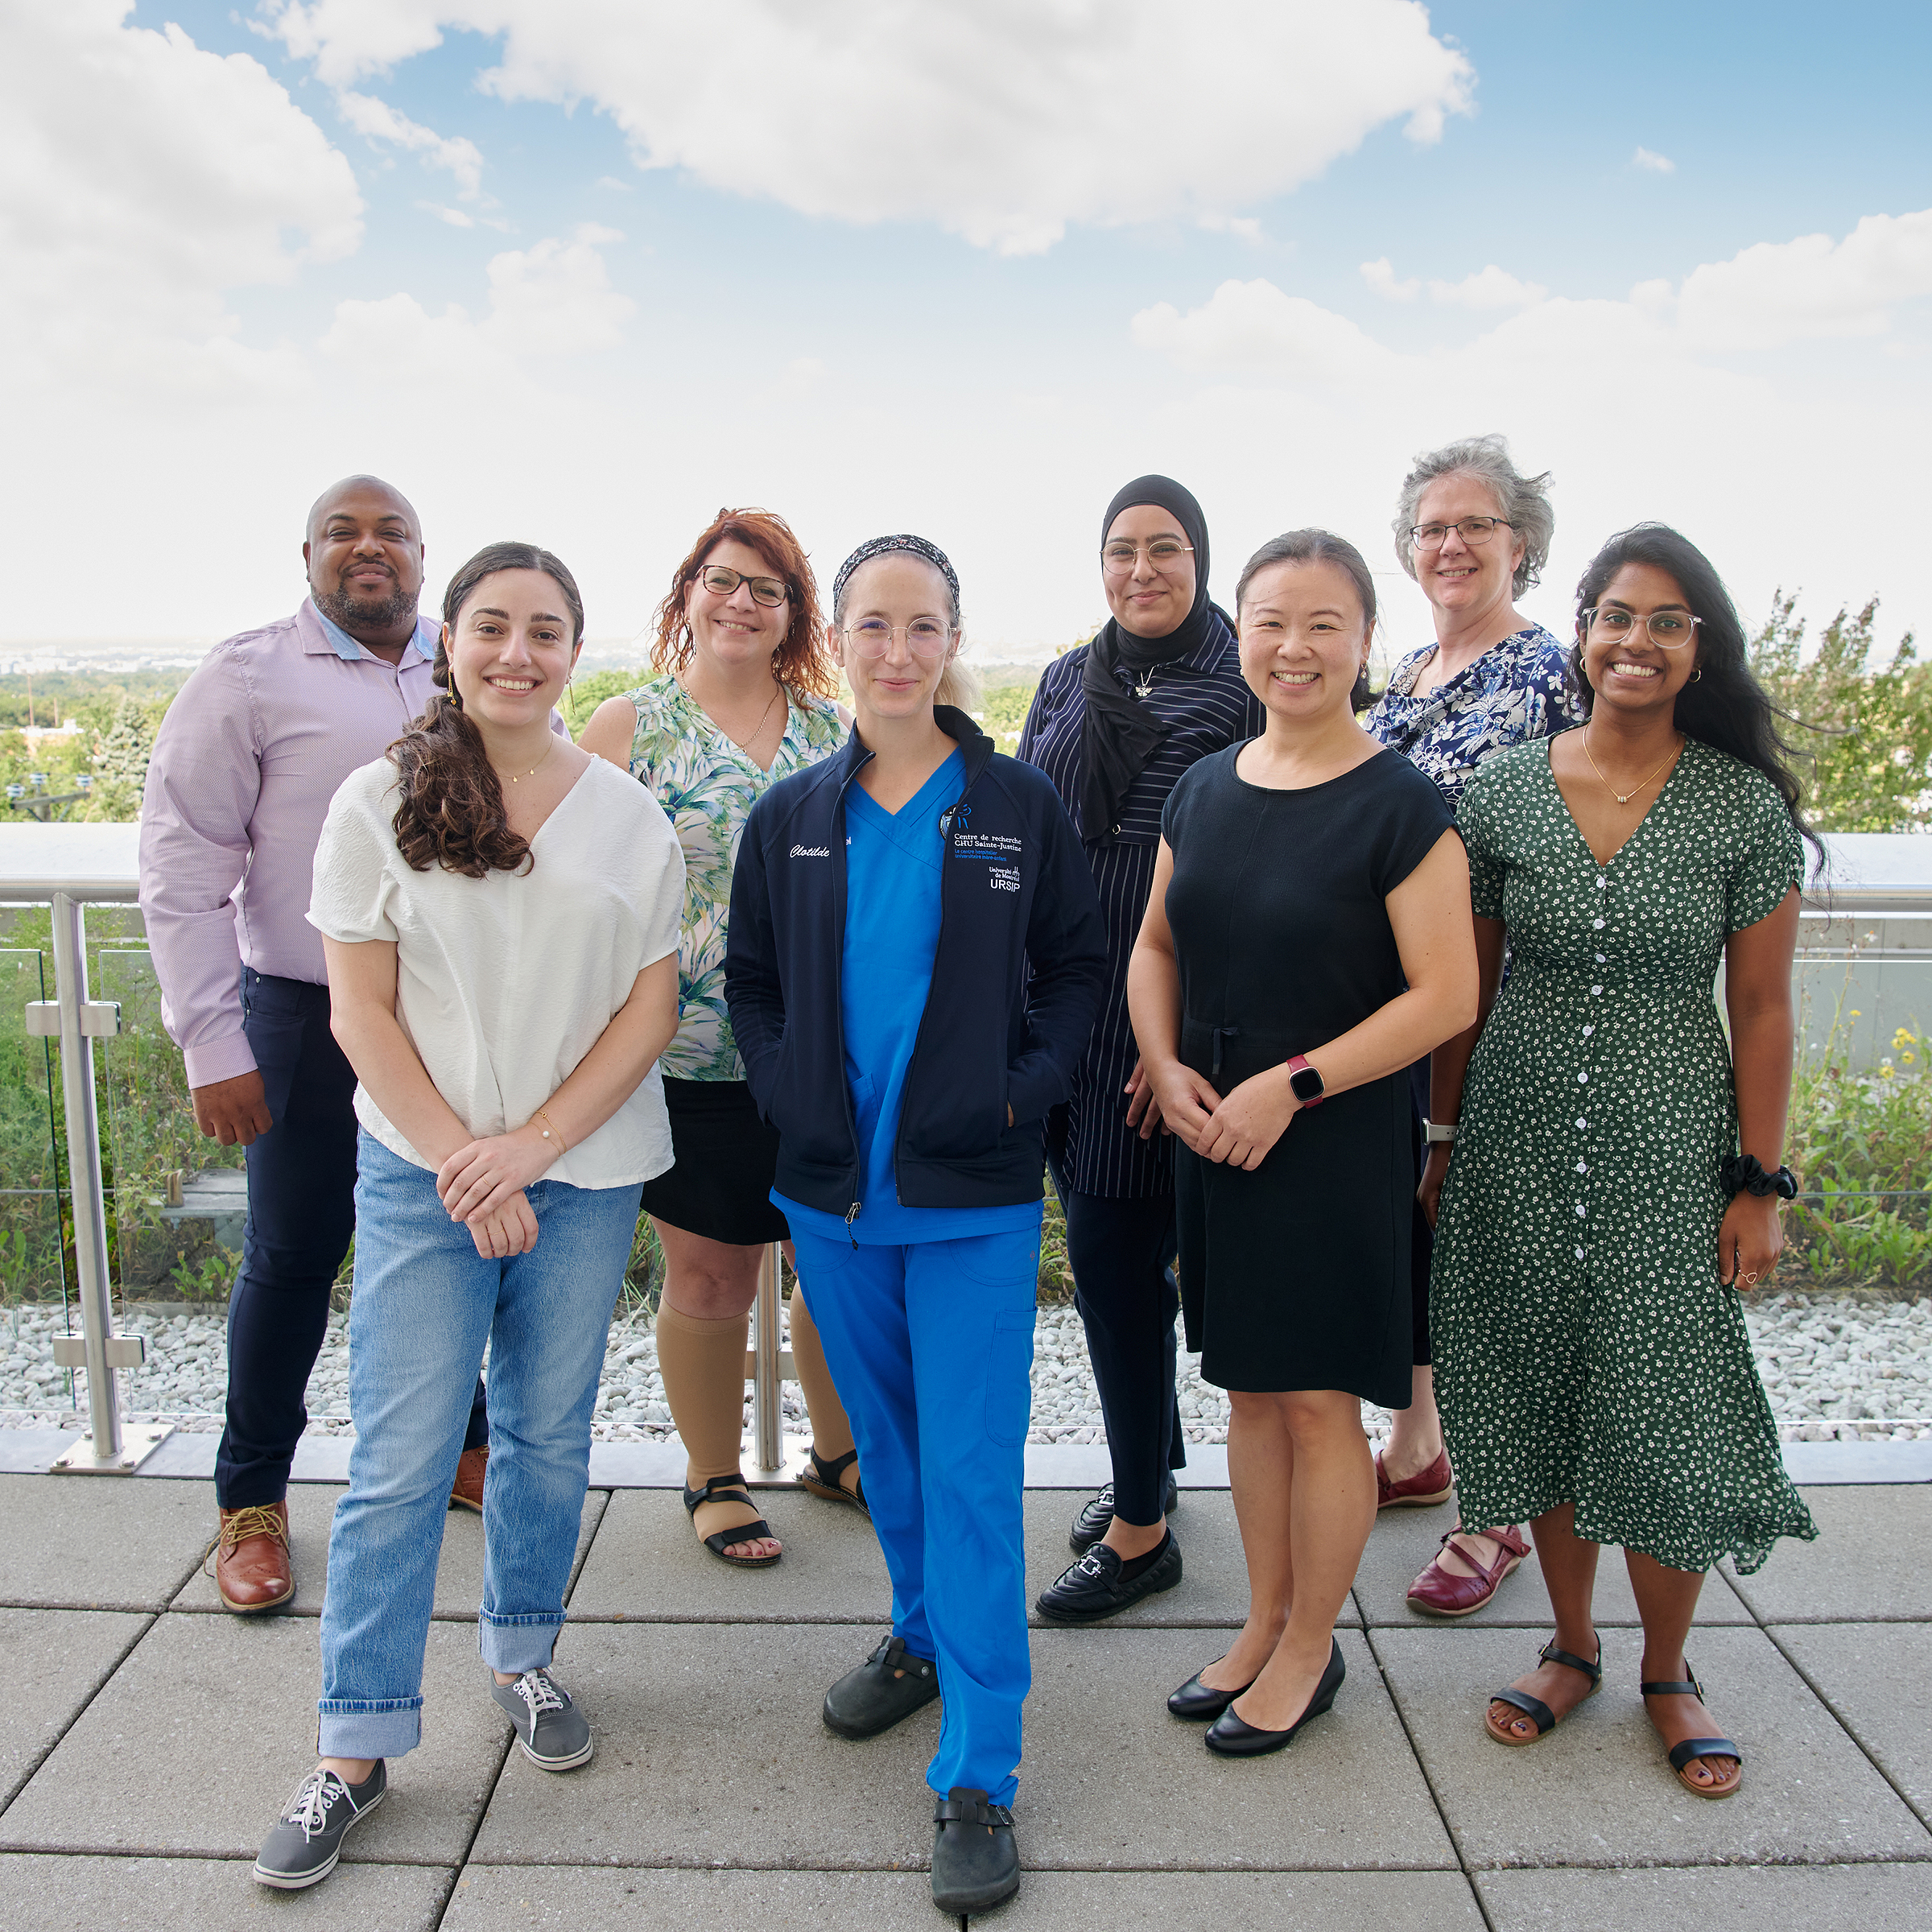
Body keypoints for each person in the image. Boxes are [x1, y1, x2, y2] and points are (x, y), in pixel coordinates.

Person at [252, 541, 683, 1889]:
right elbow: (360, 1011)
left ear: (575, 649)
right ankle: (354, 1748)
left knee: (549, 1436)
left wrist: (536, 1149)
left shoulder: (628, 815)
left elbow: (649, 1008)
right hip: (424, 1172)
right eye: (493, 627)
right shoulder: (375, 802)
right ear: (453, 640)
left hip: (588, 1164)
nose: (518, 652)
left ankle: (522, 1654)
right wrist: (464, 1163)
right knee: (399, 1452)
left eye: (546, 631)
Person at [725, 535, 1104, 1914]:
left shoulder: (1015, 804)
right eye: (873, 625)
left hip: (971, 1199)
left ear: (954, 641)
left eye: (923, 625)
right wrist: (781, 1090)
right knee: (884, 1455)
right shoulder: (796, 814)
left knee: (968, 1473)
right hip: (831, 1196)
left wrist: (1024, 1094)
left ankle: (980, 1776)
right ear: (841, 638)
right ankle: (921, 1634)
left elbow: (1075, 970)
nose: (899, 650)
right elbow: (754, 982)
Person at [1424, 523, 1818, 1801]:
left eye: (1665, 620)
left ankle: (1666, 1670)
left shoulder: (1739, 806)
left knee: (1663, 1416)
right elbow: (1464, 1000)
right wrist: (1440, 1143)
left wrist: (1758, 1187)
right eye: (1614, 615)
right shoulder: (1506, 792)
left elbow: (1762, 1011)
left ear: (1700, 648)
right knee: (1542, 1392)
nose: (1635, 640)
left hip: (1667, 1152)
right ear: (1580, 631)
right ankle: (1573, 1646)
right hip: (1516, 1144)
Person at [1129, 530, 1476, 1758]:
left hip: (1326, 1139)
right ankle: (1264, 1620)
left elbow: (1445, 996)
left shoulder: (1402, 803)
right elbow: (1158, 945)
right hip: (1214, 1131)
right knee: (1247, 1392)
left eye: (1324, 622)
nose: (1295, 646)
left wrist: (1295, 1083)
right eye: (1272, 619)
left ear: (1365, 641)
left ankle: (1314, 1648)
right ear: (1242, 633)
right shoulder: (1205, 787)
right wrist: (1164, 1065)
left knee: (1321, 1405)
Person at [139, 477, 497, 1616]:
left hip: (445, 1020)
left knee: (457, 1230)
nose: (368, 548)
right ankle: (250, 1502)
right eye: (344, 532)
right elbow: (183, 865)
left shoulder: (465, 656)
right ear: (308, 556)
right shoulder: (245, 678)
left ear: (425, 555)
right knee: (293, 1258)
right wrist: (211, 1042)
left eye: (391, 531)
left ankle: (464, 1446)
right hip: (299, 1015)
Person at [580, 509, 863, 1568]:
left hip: (818, 1053)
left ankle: (837, 1456)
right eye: (722, 579)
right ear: (687, 592)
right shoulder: (626, 728)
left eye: (767, 588)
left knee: (830, 1263)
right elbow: (575, 889)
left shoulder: (834, 733)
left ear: (794, 616)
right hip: (682, 1051)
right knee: (708, 1274)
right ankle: (712, 1473)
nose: (740, 601)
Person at [1017, 476, 1263, 1624]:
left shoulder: (1245, 683)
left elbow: (1261, 865)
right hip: (1067, 1011)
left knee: (1120, 1276)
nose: (1143, 571)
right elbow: (1032, 834)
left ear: (1202, 560)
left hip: (1177, 1024)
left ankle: (1141, 1530)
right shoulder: (1072, 677)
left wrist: (1166, 1036)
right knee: (1112, 1259)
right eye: (1123, 551)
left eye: (1166, 549)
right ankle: (1147, 1461)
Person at [1365, 434, 1583, 1617]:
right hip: (1394, 1010)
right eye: (1432, 527)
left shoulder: (1549, 673)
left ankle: (1498, 1510)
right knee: (1419, 1233)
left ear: (1523, 545)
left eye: (1476, 526)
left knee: (1494, 1249)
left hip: (1504, 1006)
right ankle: (1416, 1449)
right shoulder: (1398, 674)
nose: (1451, 544)